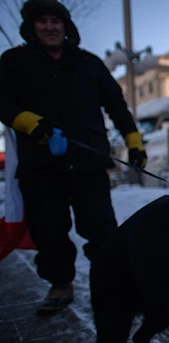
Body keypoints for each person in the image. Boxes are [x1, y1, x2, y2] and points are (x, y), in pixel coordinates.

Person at [0, 0, 147, 315]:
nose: (50, 26)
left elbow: (116, 105)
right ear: (31, 26)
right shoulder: (13, 61)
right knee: (49, 232)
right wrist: (29, 122)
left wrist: (134, 140)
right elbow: (3, 103)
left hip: (88, 163)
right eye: (43, 21)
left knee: (103, 230)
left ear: (67, 26)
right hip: (40, 166)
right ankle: (60, 284)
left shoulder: (89, 63)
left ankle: (114, 285)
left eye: (56, 20)